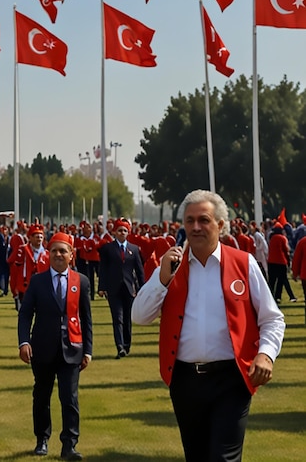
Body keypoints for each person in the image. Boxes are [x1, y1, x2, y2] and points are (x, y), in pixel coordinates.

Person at [132, 189, 285, 462]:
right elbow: (140, 316)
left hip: (232, 378)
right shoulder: (171, 266)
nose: (195, 227)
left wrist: (266, 354)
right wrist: (162, 279)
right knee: (197, 456)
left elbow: (272, 318)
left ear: (221, 225)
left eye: (204, 220)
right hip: (184, 380)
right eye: (189, 221)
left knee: (222, 457)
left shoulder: (243, 263)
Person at [18, 232, 92, 461]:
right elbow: (25, 314)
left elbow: (86, 318)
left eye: (63, 251)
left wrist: (88, 350)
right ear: (48, 254)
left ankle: (69, 444)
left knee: (69, 398)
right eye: (54, 251)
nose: (58, 255)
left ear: (71, 255)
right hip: (42, 348)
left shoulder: (81, 281)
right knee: (41, 396)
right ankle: (42, 439)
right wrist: (24, 342)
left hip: (72, 348)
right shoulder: (38, 281)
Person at [98, 218, 145, 358]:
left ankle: (127, 345)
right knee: (117, 318)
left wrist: (142, 288)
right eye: (119, 230)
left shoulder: (134, 249)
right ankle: (119, 346)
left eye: (124, 230)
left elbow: (139, 270)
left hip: (129, 288)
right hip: (113, 289)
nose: (122, 233)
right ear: (114, 232)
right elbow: (103, 269)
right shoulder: (107, 249)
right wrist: (102, 287)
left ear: (128, 232)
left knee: (127, 318)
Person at [267, 222, 297, 303]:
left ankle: (271, 297)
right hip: (281, 262)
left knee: (272, 281)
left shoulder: (272, 238)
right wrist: (288, 262)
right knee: (283, 280)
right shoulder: (283, 238)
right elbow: (286, 251)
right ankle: (291, 296)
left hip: (271, 262)